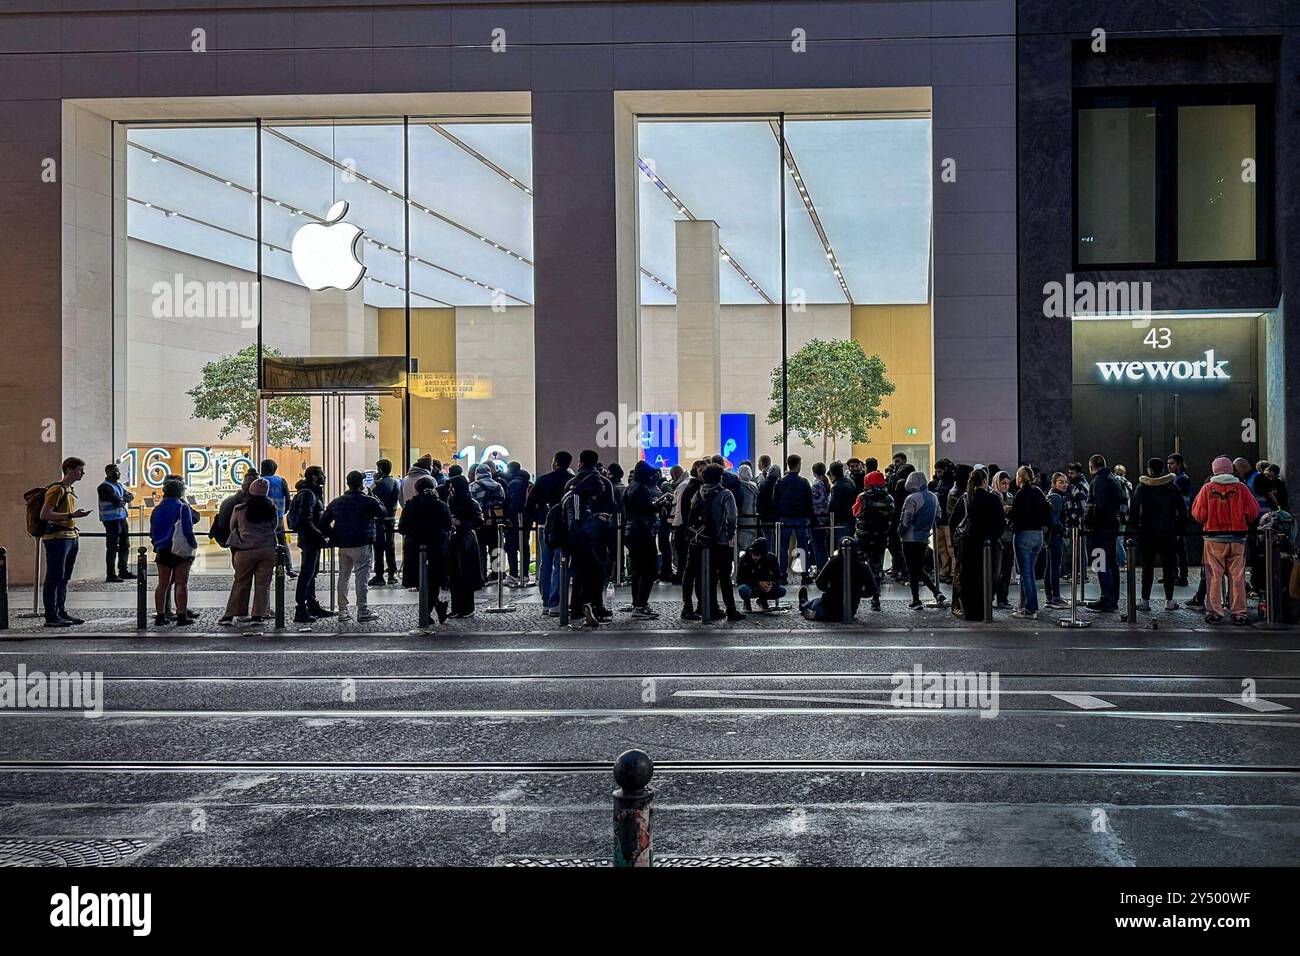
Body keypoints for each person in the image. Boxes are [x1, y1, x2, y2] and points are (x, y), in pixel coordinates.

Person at [1191, 456, 1260, 625]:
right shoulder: (1242, 488)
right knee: (1237, 576)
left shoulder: (1207, 488)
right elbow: (1253, 512)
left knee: (1214, 576)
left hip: (1213, 538)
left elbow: (1198, 514)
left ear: (1214, 470)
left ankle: (1215, 612)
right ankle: (1239, 613)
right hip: (1237, 538)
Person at [320, 470, 387, 623]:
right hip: (362, 541)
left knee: (343, 577)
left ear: (347, 483)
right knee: (361, 578)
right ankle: (362, 610)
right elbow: (382, 513)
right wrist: (373, 494)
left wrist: (334, 535)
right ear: (361, 484)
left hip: (343, 543)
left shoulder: (337, 501)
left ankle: (343, 611)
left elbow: (323, 522)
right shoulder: (368, 500)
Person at [37, 457, 91, 627]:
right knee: (54, 576)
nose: (83, 473)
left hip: (70, 536)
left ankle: (60, 611)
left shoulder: (69, 489)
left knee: (64, 577)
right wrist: (71, 516)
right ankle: (51, 616)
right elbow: (45, 514)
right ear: (69, 470)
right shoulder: (57, 490)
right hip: (57, 538)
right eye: (80, 470)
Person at [1129, 457, 1187, 613]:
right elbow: (1182, 510)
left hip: (1147, 532)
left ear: (1149, 470)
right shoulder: (1172, 487)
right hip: (1168, 532)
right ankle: (1169, 600)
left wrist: (1135, 528)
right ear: (1162, 470)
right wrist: (1179, 530)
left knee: (1147, 567)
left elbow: (1134, 509)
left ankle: (1145, 600)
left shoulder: (1142, 487)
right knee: (1169, 567)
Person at [220, 477, 280, 626]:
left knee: (240, 582)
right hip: (267, 550)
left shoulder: (240, 509)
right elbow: (274, 527)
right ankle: (258, 615)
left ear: (250, 492)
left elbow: (232, 527)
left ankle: (231, 615)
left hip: (245, 550)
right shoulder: (271, 508)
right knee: (262, 584)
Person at [690, 464, 743, 622]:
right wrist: (729, 533)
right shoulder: (725, 493)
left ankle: (709, 607)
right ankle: (731, 610)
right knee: (725, 577)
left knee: (708, 576)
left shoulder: (698, 493)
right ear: (720, 477)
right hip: (720, 541)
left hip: (703, 540)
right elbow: (732, 516)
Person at [397, 475, 451, 625]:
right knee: (434, 580)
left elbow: (402, 528)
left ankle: (429, 612)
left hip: (415, 546)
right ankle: (434, 608)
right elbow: (447, 525)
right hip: (436, 547)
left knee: (421, 580)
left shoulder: (411, 505)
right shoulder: (440, 505)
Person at [525, 451, 573, 615]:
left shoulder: (543, 480)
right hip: (563, 527)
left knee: (545, 563)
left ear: (556, 462)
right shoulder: (570, 481)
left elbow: (530, 503)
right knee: (561, 563)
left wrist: (532, 520)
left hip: (543, 525)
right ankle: (556, 602)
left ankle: (546, 601)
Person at [287, 466, 336, 623]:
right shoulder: (308, 494)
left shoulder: (311, 492)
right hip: (310, 540)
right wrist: (320, 535)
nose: (324, 476)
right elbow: (306, 520)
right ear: (314, 477)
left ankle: (312, 604)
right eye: (321, 473)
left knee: (311, 574)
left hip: (312, 539)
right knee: (306, 574)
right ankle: (300, 609)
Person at [957, 468, 1006, 622]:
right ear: (985, 481)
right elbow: (1000, 524)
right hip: (986, 544)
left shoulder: (968, 498)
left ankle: (970, 611)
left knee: (969, 578)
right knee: (985, 578)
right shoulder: (992, 499)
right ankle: (983, 610)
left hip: (969, 544)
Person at [150, 476, 200, 627]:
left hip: (162, 549)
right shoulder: (182, 507)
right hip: (179, 550)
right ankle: (181, 615)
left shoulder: (157, 509)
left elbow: (153, 530)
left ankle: (160, 615)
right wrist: (193, 545)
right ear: (180, 492)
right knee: (181, 583)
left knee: (162, 584)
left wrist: (156, 544)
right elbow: (187, 529)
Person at [798, 538, 878, 621]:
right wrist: (857, 593)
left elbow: (820, 582)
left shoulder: (834, 562)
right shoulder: (863, 567)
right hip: (850, 609)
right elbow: (872, 590)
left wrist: (831, 590)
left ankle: (804, 605)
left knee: (814, 604)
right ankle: (806, 604)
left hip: (828, 607)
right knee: (817, 603)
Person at [897, 470, 945, 609]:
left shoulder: (912, 498)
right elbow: (938, 516)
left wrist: (899, 532)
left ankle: (917, 600)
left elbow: (905, 520)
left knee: (913, 570)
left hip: (909, 538)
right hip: (924, 537)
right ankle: (936, 593)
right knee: (917, 568)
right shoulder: (934, 497)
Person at [1008, 466, 1050, 618]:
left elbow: (1015, 515)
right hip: (1038, 535)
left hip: (1023, 535)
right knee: (1029, 572)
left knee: (1026, 573)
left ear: (1020, 478)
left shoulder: (1020, 494)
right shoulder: (1038, 492)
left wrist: (1008, 511)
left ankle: (1030, 608)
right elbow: (1047, 510)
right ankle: (1024, 605)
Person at [623, 461, 663, 619]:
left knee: (637, 570)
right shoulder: (641, 489)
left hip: (631, 531)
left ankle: (637, 603)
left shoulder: (630, 488)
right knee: (649, 569)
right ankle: (641, 605)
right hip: (642, 532)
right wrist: (658, 506)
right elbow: (646, 509)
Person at [1085, 454, 1124, 612]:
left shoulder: (1099, 481)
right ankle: (1111, 597)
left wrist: (1091, 524)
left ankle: (1106, 597)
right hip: (1111, 526)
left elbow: (1098, 506)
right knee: (1111, 562)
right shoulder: (1113, 479)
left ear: (1091, 466)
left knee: (1101, 563)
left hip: (1100, 529)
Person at [853, 470, 893, 612]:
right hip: (880, 538)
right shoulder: (889, 498)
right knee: (876, 568)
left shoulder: (862, 497)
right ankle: (876, 599)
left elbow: (855, 512)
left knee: (856, 567)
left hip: (863, 537)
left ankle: (855, 597)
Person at [446, 474, 485, 618]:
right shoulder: (452, 500)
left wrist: (461, 523)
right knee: (455, 575)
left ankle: (467, 607)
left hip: (465, 540)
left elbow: (479, 521)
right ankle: (457, 607)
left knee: (465, 574)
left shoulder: (470, 502)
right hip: (456, 539)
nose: (451, 490)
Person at [775, 454, 815, 585]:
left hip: (785, 518)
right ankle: (805, 574)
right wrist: (810, 517)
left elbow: (775, 500)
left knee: (783, 547)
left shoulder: (781, 482)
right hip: (801, 518)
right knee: (802, 546)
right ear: (798, 465)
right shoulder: (803, 482)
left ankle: (782, 573)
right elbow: (809, 501)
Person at [96, 463, 135, 582]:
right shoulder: (104, 487)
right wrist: (123, 499)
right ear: (107, 473)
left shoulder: (118, 485)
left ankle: (123, 571)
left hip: (121, 518)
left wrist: (122, 499)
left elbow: (130, 497)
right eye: (115, 471)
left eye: (118, 471)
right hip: (111, 520)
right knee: (112, 547)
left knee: (125, 545)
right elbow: (117, 500)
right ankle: (111, 574)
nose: (118, 474)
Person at [367, 459, 401, 587]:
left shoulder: (378, 484)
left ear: (380, 470)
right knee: (390, 547)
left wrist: (374, 482)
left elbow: (370, 496)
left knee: (379, 548)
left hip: (379, 520)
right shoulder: (395, 482)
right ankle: (392, 575)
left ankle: (379, 575)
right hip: (391, 519)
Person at [259, 459, 295, 578]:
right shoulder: (281, 481)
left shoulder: (259, 481)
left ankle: (265, 568)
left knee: (263, 543)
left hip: (262, 518)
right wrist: (283, 512)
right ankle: (289, 567)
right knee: (283, 542)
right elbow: (288, 499)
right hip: (278, 516)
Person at [503, 460, 533, 587]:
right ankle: (525, 574)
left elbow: (513, 502)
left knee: (511, 547)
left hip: (515, 520)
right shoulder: (527, 482)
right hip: (526, 519)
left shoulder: (514, 483)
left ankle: (514, 574)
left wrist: (508, 517)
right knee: (524, 545)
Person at [1166, 453, 1194, 587]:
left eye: (1172, 463)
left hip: (1178, 518)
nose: (1169, 466)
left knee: (1180, 549)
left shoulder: (1182, 479)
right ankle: (1174, 574)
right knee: (1173, 548)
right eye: (1168, 464)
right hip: (1175, 516)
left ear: (1179, 464)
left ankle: (1182, 576)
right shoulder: (1177, 478)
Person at [736, 536, 785, 611]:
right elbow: (740, 579)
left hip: (765, 586)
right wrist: (757, 583)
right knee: (744, 590)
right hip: (751, 586)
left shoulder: (771, 559)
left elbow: (778, 576)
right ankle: (747, 602)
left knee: (781, 591)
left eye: (758, 555)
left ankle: (763, 600)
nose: (755, 557)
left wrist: (771, 583)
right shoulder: (745, 558)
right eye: (754, 554)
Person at [1044, 473, 1070, 609]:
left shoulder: (1051, 496)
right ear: (1054, 483)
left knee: (1051, 566)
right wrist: (1063, 530)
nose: (1064, 484)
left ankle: (1051, 596)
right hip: (1055, 535)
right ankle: (1055, 596)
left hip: (1050, 535)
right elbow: (1054, 519)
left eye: (1065, 482)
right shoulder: (1057, 497)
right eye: (1060, 482)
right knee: (1054, 566)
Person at [930, 459, 956, 583]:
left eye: (939, 471)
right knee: (942, 547)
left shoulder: (949, 483)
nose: (938, 473)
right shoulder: (942, 482)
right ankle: (946, 571)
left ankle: (952, 572)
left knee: (949, 548)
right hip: (941, 519)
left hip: (946, 520)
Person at [810, 461, 832, 571]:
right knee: (822, 544)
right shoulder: (825, 482)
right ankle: (824, 567)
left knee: (817, 545)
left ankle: (821, 568)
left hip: (816, 518)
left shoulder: (817, 484)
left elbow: (813, 501)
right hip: (824, 517)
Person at [735, 463, 760, 551]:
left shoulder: (737, 486)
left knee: (738, 545)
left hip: (740, 519)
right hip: (752, 519)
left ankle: (739, 563)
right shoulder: (754, 486)